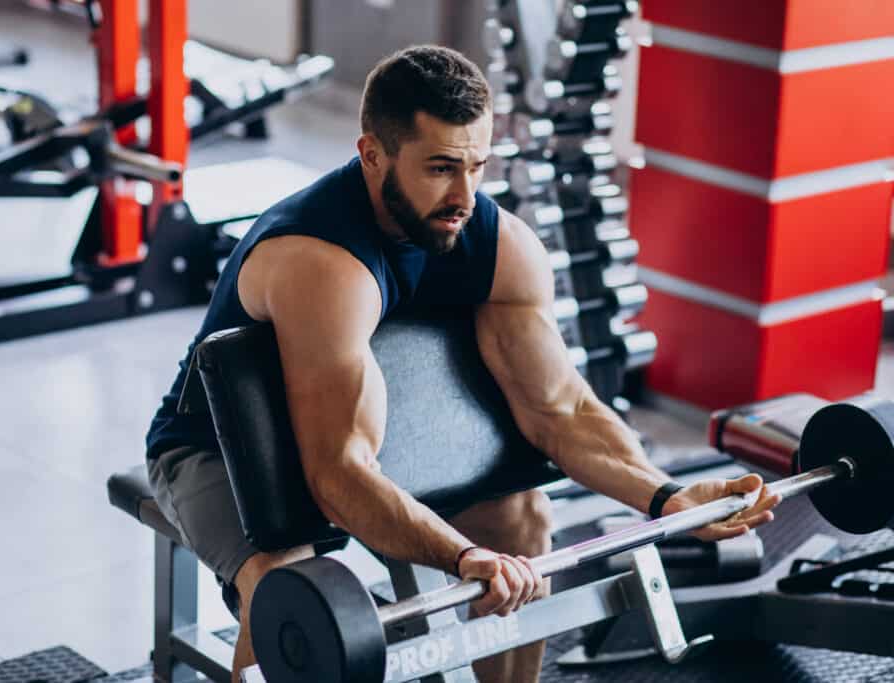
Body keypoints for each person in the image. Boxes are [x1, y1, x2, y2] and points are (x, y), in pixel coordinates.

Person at [144, 45, 780, 683]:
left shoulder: (495, 242)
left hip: (353, 433)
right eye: (441, 168)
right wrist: (464, 556)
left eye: (477, 165)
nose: (465, 194)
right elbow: (335, 476)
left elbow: (561, 410)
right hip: (217, 451)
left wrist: (666, 496)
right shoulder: (322, 263)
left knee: (522, 517)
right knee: (292, 595)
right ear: (372, 155)